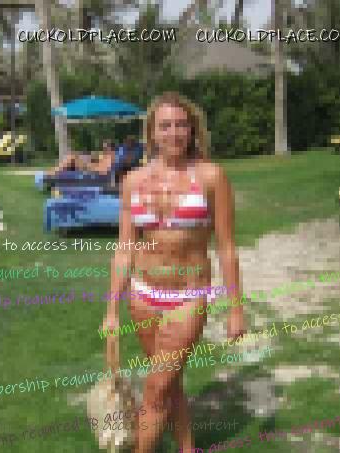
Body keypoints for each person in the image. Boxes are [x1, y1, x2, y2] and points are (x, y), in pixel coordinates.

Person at [103, 92, 246, 453]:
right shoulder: (133, 181)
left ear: (193, 129)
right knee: (169, 382)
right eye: (165, 125)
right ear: (152, 132)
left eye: (182, 125)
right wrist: (111, 309)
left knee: (155, 390)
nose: (174, 133)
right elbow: (124, 248)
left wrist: (235, 309)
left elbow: (227, 247)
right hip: (143, 296)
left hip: (188, 297)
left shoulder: (211, 177)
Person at [47, 140, 116, 176]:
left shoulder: (111, 158)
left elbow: (102, 171)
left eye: (106, 148)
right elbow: (94, 158)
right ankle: (53, 172)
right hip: (89, 168)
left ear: (111, 149)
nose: (104, 150)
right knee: (72, 156)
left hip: (92, 172)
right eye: (103, 148)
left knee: (72, 157)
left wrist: (88, 166)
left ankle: (52, 172)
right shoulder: (104, 156)